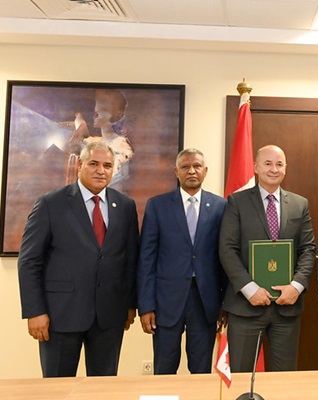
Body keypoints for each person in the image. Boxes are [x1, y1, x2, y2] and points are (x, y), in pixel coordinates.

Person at [18, 141, 139, 377]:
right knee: (57, 389)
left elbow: (130, 260)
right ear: (80, 165)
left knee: (102, 389)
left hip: (109, 316)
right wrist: (35, 311)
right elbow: (29, 261)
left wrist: (130, 305)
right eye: (94, 164)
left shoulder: (125, 206)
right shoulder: (50, 204)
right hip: (60, 316)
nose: (101, 171)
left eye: (107, 165)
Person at [219, 144, 316, 372]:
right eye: (268, 163)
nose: (274, 169)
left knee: (284, 381)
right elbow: (227, 249)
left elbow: (308, 250)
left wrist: (296, 286)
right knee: (242, 378)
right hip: (246, 306)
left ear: (285, 168)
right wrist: (250, 289)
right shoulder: (237, 202)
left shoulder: (299, 204)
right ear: (255, 167)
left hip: (287, 307)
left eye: (279, 164)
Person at [137, 148, 227, 374]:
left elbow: (225, 258)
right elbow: (146, 259)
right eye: (185, 167)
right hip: (166, 302)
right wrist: (146, 306)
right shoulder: (157, 206)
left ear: (205, 171)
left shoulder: (221, 206)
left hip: (205, 302)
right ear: (176, 172)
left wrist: (224, 304)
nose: (192, 171)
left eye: (197, 166)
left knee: (201, 371)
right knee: (164, 369)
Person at [84, 89, 134, 192]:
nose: (96, 113)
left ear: (117, 115)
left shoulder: (120, 145)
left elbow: (116, 177)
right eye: (96, 108)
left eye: (103, 109)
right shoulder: (92, 142)